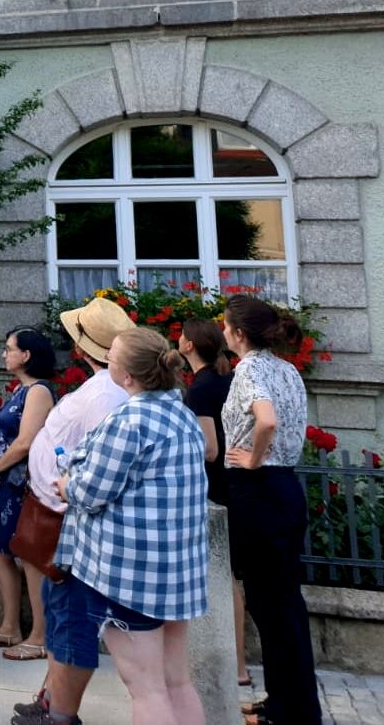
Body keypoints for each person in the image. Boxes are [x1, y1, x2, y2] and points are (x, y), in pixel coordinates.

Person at [54, 327, 208, 724]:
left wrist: (67, 485)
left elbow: (92, 492)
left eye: (112, 356)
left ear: (125, 376)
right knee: (176, 682)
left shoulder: (129, 420)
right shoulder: (182, 415)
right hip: (177, 567)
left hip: (131, 573)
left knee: (146, 688)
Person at [9, 296, 133, 725]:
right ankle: (51, 698)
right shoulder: (103, 387)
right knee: (59, 609)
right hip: (61, 512)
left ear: (83, 346)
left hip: (71, 517)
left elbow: (100, 462)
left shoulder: (106, 394)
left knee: (71, 616)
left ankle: (60, 712)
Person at [221, 295, 322, 725]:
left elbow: (267, 419)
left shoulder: (248, 370)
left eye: (226, 326)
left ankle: (288, 711)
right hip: (284, 489)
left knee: (271, 605)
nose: (223, 332)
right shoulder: (287, 369)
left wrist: (253, 458)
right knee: (284, 604)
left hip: (259, 489)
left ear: (239, 333)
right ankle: (289, 701)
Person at [0, 328, 57, 661]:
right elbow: (3, 434)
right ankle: (9, 627)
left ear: (26, 355)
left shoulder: (39, 391)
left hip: (23, 484)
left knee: (28, 556)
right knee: (1, 550)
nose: (4, 354)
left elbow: (25, 442)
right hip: (6, 483)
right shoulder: (19, 390)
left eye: (9, 349)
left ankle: (40, 636)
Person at [179, 317, 249, 688]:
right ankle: (236, 664)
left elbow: (209, 449)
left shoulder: (201, 388)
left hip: (213, 488)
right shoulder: (226, 379)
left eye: (181, 336)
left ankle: (235, 666)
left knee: (221, 576)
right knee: (229, 575)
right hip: (234, 483)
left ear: (189, 345)